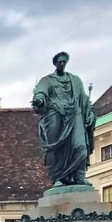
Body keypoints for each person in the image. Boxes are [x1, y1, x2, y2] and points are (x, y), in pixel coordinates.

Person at [31, 50, 96, 187]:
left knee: (80, 146)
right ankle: (58, 178)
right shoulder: (47, 81)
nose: (62, 63)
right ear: (55, 63)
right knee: (55, 149)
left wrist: (89, 112)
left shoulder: (75, 80)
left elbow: (84, 99)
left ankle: (79, 177)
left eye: (64, 61)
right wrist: (39, 99)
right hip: (56, 115)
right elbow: (40, 93)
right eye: (59, 61)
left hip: (75, 116)